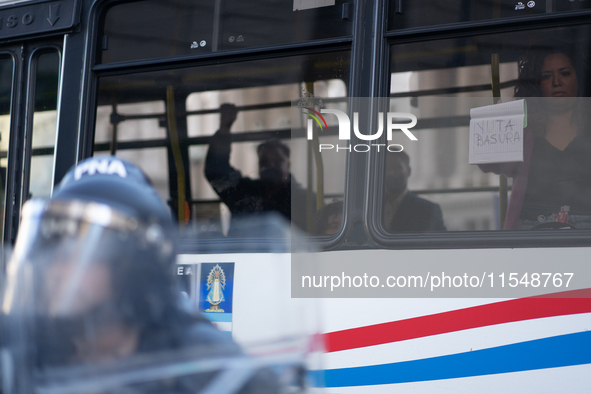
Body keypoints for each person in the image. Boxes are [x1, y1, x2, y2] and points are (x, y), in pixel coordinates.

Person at [0, 156, 279, 393]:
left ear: (134, 270)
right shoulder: (21, 346)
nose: (56, 270)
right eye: (52, 251)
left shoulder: (204, 366)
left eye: (80, 254)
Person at [479, 40, 591, 230]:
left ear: (579, 78)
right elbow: (490, 163)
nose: (557, 82)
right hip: (532, 230)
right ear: (537, 85)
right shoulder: (525, 128)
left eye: (564, 73)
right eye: (547, 76)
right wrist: (494, 124)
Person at [204, 104, 311, 234]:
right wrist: (224, 129)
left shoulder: (302, 200)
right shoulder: (244, 191)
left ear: (288, 165)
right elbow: (215, 172)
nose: (270, 165)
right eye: (264, 161)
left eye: (277, 160)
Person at [383, 151, 446, 232]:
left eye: (396, 167)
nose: (391, 172)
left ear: (408, 171)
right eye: (387, 167)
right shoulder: (372, 205)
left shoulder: (428, 210)